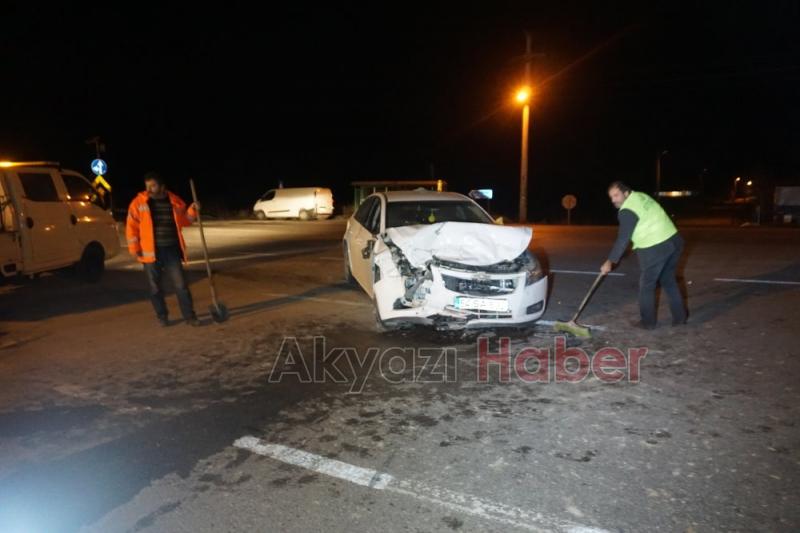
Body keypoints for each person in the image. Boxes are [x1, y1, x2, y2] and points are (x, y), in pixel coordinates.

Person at [600, 181, 687, 329]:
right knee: (668, 280)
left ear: (626, 193)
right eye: (611, 197)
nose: (614, 200)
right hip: (674, 240)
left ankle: (648, 323)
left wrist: (610, 261)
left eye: (616, 195)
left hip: (656, 246)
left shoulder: (627, 210)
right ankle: (680, 318)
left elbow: (623, 238)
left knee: (646, 285)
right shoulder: (641, 196)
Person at [126, 171, 201, 327]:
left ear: (162, 186)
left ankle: (190, 317)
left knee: (181, 285)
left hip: (172, 250)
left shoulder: (174, 201)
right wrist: (135, 247)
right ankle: (162, 317)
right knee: (155, 288)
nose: (149, 189)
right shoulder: (138, 203)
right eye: (147, 186)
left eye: (153, 186)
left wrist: (193, 210)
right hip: (150, 252)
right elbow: (131, 227)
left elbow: (185, 221)